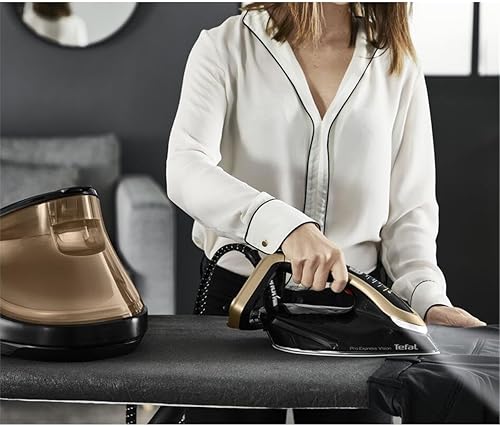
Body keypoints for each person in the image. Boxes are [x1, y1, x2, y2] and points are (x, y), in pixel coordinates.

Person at [166, 2, 486, 423]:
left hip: (358, 313)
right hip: (241, 302)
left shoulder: (394, 60)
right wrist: (284, 227)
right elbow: (185, 168)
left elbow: (409, 211)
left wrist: (428, 302)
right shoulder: (226, 46)